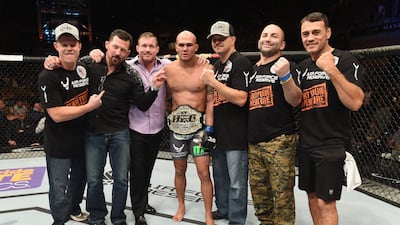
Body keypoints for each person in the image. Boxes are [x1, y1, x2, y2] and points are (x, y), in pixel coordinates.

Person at [44, 29, 165, 225]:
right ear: (107, 45)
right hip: (93, 133)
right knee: (93, 180)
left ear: (128, 53)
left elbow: (142, 104)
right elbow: (70, 61)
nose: (118, 52)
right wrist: (51, 61)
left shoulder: (131, 75)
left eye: (123, 50)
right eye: (115, 47)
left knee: (121, 180)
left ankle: (118, 217)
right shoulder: (90, 66)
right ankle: (97, 216)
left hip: (120, 132)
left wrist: (154, 88)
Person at [297, 12, 365, 225]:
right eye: (305, 33)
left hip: (331, 143)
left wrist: (331, 70)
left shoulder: (344, 60)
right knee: (311, 195)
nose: (310, 38)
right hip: (306, 142)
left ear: (328, 33)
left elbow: (355, 102)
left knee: (327, 203)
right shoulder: (302, 67)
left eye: (316, 32)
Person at [37, 22, 104, 225]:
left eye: (72, 44)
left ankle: (74, 208)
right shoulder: (48, 75)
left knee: (78, 181)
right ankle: (59, 221)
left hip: (82, 140)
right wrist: (89, 107)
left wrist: (98, 52)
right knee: (58, 187)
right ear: (56, 46)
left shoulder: (84, 67)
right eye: (64, 44)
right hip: (58, 144)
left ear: (79, 46)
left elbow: (99, 56)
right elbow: (56, 114)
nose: (68, 48)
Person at [247, 24, 302, 225]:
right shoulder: (252, 70)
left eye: (274, 36)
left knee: (282, 195)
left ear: (282, 44)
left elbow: (295, 99)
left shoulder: (288, 66)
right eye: (264, 35)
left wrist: (285, 76)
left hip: (279, 141)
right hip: (254, 142)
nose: (268, 38)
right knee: (259, 194)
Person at [201, 21, 252, 225]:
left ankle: (237, 219)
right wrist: (209, 129)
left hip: (237, 134)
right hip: (219, 133)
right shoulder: (217, 65)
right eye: (214, 39)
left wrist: (213, 82)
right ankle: (223, 209)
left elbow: (241, 98)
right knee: (220, 177)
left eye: (221, 38)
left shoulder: (240, 62)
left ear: (233, 39)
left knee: (237, 183)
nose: (217, 41)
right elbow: (212, 100)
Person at [164, 30, 215, 225]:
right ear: (176, 47)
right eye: (181, 45)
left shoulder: (206, 68)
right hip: (177, 129)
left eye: (189, 45)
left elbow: (210, 101)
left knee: (204, 172)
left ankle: (208, 213)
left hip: (200, 128)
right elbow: (166, 96)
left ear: (196, 47)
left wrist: (209, 128)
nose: (185, 48)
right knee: (179, 170)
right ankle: (181, 205)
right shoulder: (168, 70)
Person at [125, 32, 171, 225]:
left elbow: (188, 64)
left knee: (148, 169)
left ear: (157, 49)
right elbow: (106, 59)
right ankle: (138, 212)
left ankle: (143, 203)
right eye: (143, 45)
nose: (147, 49)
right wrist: (94, 53)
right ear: (137, 48)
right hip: (135, 126)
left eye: (151, 46)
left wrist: (202, 60)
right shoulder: (128, 67)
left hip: (157, 126)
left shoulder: (167, 66)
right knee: (137, 170)